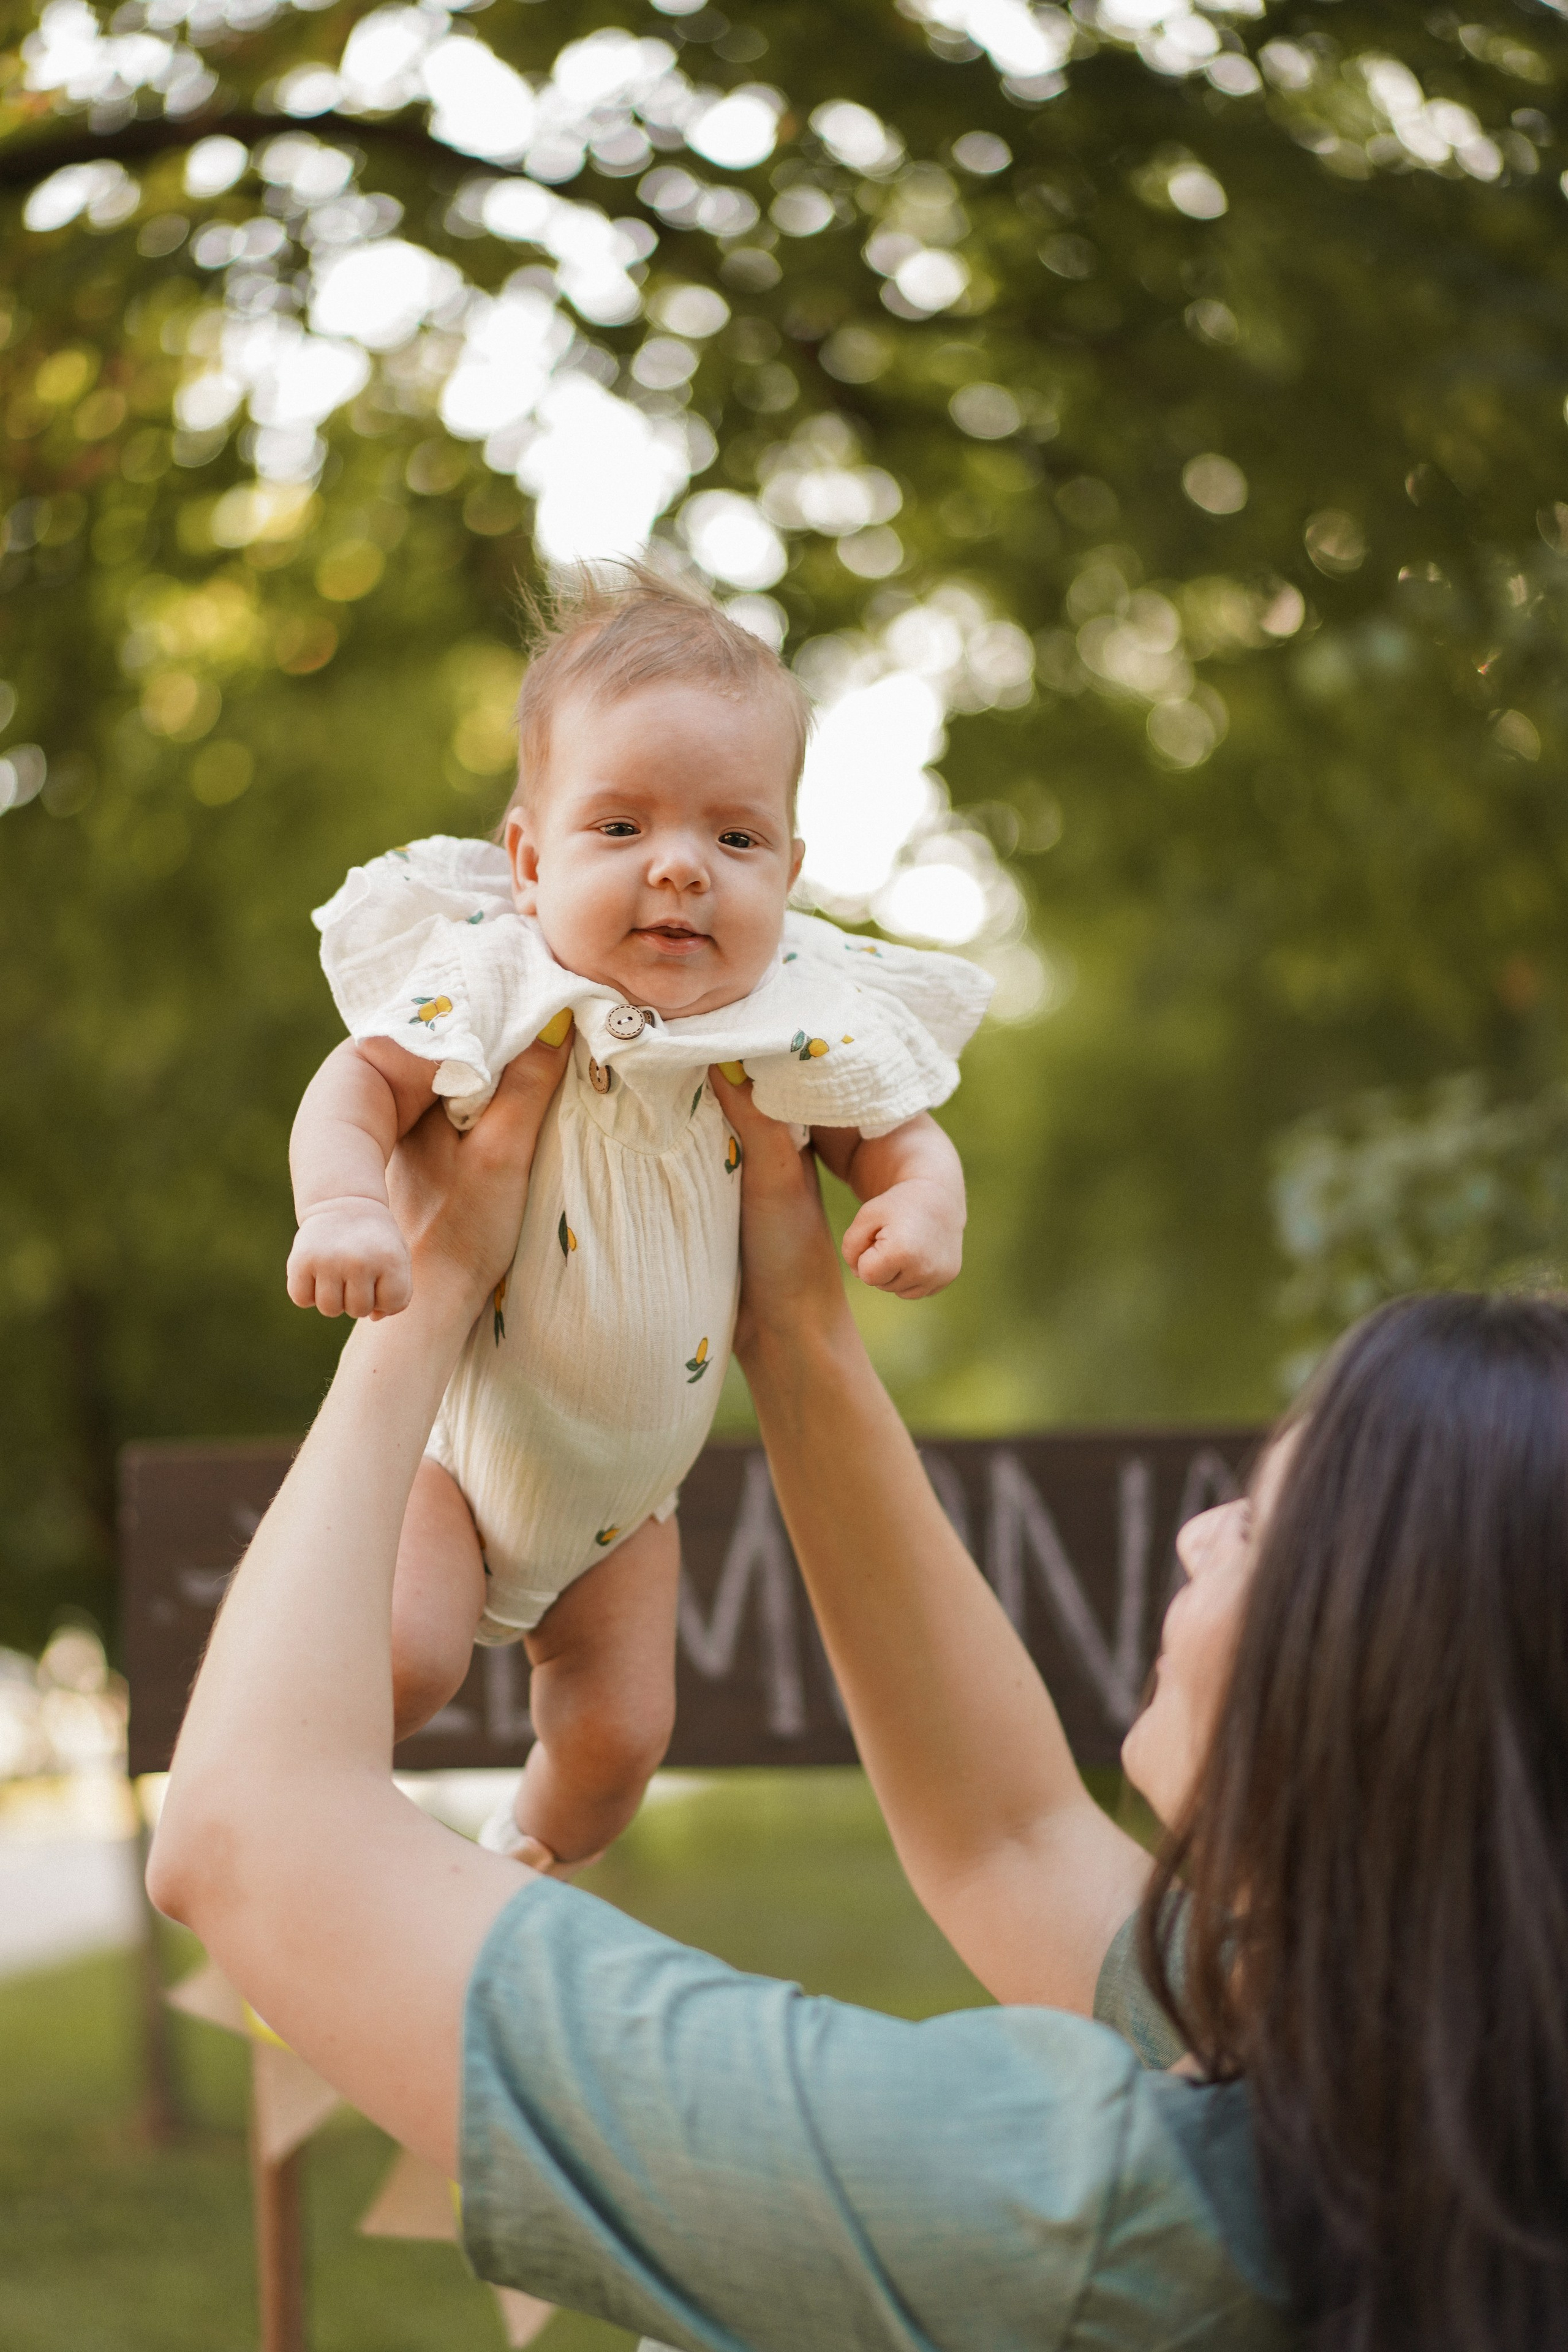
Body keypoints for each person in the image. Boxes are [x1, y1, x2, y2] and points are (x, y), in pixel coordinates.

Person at [148, 1042, 1568, 2352]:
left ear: (1391, 1673)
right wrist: (793, 1322)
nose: (1201, 1534)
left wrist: (432, 1283)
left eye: (1261, 1522)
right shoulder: (1406, 2084)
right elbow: (1005, 1835)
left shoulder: (1085, 2222)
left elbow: (251, 1837)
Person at [284, 565, 988, 1869]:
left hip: (625, 1506)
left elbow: (897, 1136)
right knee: (402, 1659)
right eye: (621, 830)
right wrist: (341, 1207)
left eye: (733, 839)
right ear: (528, 858)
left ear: (787, 866)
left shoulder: (789, 1009)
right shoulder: (494, 979)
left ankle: (510, 1870)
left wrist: (919, 1208)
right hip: (457, 1449)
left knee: (616, 1742)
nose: (680, 869)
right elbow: (356, 1086)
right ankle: (314, 1861)